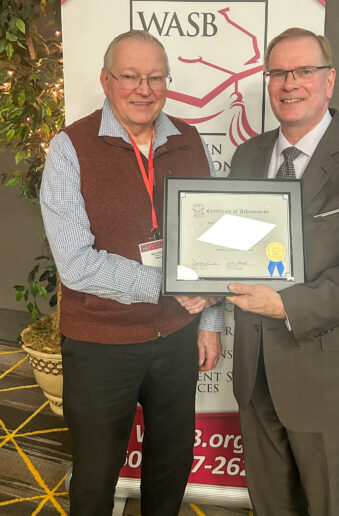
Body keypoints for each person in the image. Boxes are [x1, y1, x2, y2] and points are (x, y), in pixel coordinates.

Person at [40, 30, 223, 516]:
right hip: (100, 342)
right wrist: (170, 286)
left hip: (177, 337)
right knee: (96, 471)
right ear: (106, 80)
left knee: (171, 463)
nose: (144, 89)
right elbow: (76, 264)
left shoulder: (188, 140)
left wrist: (209, 321)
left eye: (156, 77)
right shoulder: (70, 148)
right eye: (130, 76)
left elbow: (207, 241)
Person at [226, 27, 339, 516]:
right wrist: (200, 280)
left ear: (330, 79)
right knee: (270, 504)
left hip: (329, 378)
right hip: (255, 371)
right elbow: (232, 247)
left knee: (334, 506)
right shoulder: (248, 155)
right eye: (279, 72)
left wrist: (286, 305)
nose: (290, 83)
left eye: (304, 70)